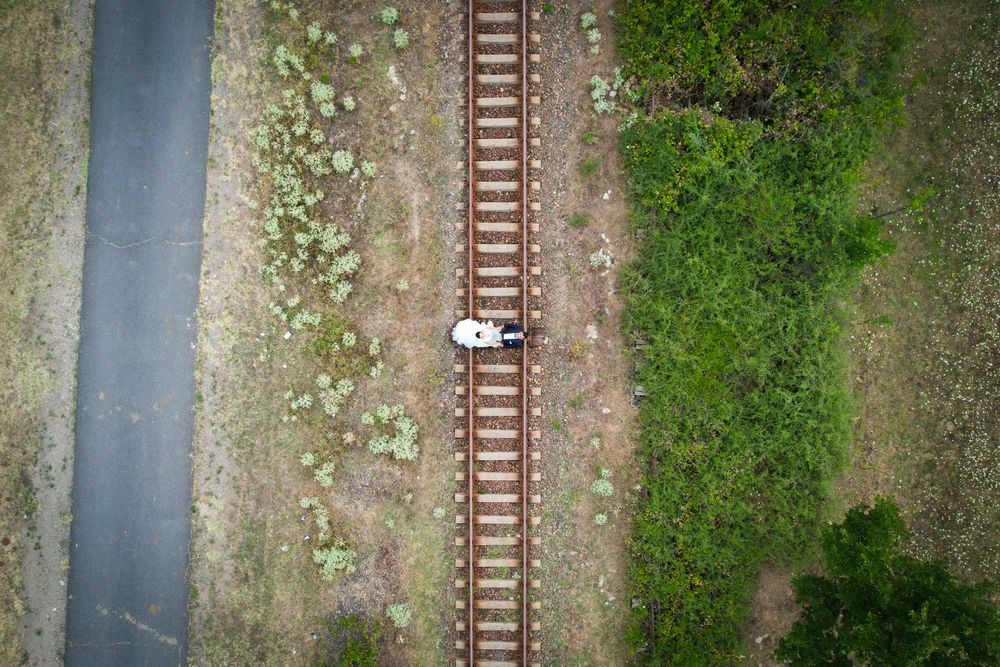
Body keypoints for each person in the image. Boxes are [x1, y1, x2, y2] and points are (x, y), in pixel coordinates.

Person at [452, 319, 527, 349]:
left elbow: (511, 346)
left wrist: (502, 345)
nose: (519, 335)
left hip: (499, 340)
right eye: (520, 334)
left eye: (520, 337)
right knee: (487, 331)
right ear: (520, 332)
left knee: (488, 340)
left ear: (522, 339)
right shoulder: (518, 328)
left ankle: (481, 336)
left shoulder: (519, 343)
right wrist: (502, 326)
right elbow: (510, 325)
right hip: (500, 332)